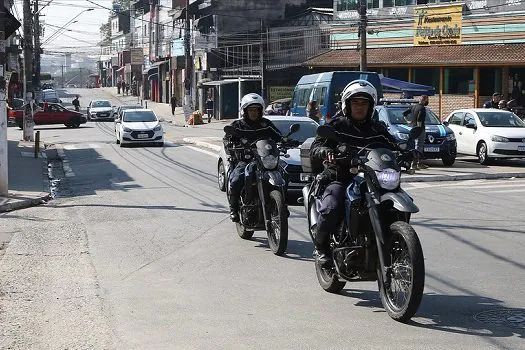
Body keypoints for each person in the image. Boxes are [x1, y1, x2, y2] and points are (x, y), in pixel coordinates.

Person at [309, 80, 399, 265]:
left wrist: (408, 151)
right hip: (340, 177)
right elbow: (316, 147)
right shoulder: (336, 125)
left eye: (364, 103)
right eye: (355, 103)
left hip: (373, 179)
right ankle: (321, 247)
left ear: (371, 106)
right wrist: (326, 152)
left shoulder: (378, 129)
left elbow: (393, 145)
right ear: (347, 105)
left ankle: (398, 244)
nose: (360, 107)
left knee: (397, 202)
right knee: (332, 207)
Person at [224, 93, 282, 222]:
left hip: (265, 160)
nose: (253, 113)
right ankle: (233, 208)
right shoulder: (238, 125)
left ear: (260, 110)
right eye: (251, 110)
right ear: (245, 111)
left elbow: (278, 136)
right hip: (246, 160)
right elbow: (227, 139)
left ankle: (282, 206)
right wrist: (230, 146)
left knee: (283, 175)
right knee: (237, 179)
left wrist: (287, 140)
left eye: (256, 110)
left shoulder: (266, 124)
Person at [403, 95, 429, 170]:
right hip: (420, 129)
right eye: (427, 99)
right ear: (424, 100)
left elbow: (404, 113)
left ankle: (418, 163)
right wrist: (419, 128)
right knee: (419, 147)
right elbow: (419, 119)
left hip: (413, 128)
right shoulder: (422, 108)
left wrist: (408, 121)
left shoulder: (414, 107)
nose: (427, 101)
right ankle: (414, 164)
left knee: (417, 146)